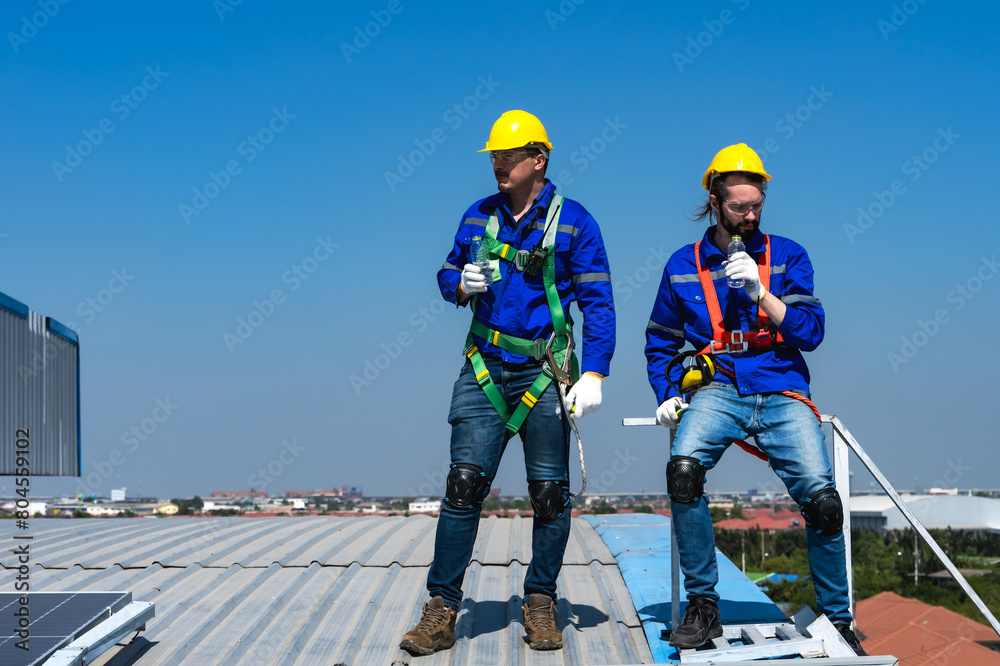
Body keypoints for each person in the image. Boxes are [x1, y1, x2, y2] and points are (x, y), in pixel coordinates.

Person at [399, 110, 616, 656]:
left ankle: (540, 602)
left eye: (507, 156)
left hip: (545, 374)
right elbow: (448, 272)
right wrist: (459, 284)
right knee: (463, 487)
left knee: (549, 495)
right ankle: (442, 609)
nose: (498, 164)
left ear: (537, 161)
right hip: (485, 368)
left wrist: (594, 371)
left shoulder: (575, 223)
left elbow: (598, 302)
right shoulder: (478, 217)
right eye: (494, 156)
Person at [644, 143, 867, 656]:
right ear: (715, 201)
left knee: (824, 500)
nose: (749, 215)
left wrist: (764, 295)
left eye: (756, 206)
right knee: (682, 473)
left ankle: (838, 618)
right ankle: (703, 606)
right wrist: (667, 394)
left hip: (782, 386)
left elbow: (812, 331)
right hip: (719, 388)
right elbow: (660, 341)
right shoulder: (682, 265)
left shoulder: (788, 255)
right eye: (739, 206)